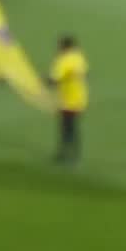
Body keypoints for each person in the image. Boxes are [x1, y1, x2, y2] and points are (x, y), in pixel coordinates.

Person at [48, 35, 88, 165]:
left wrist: (38, 82)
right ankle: (69, 154)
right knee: (70, 127)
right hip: (80, 98)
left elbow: (55, 79)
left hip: (68, 100)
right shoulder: (78, 58)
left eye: (59, 46)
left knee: (67, 128)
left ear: (64, 47)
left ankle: (68, 155)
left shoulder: (63, 60)